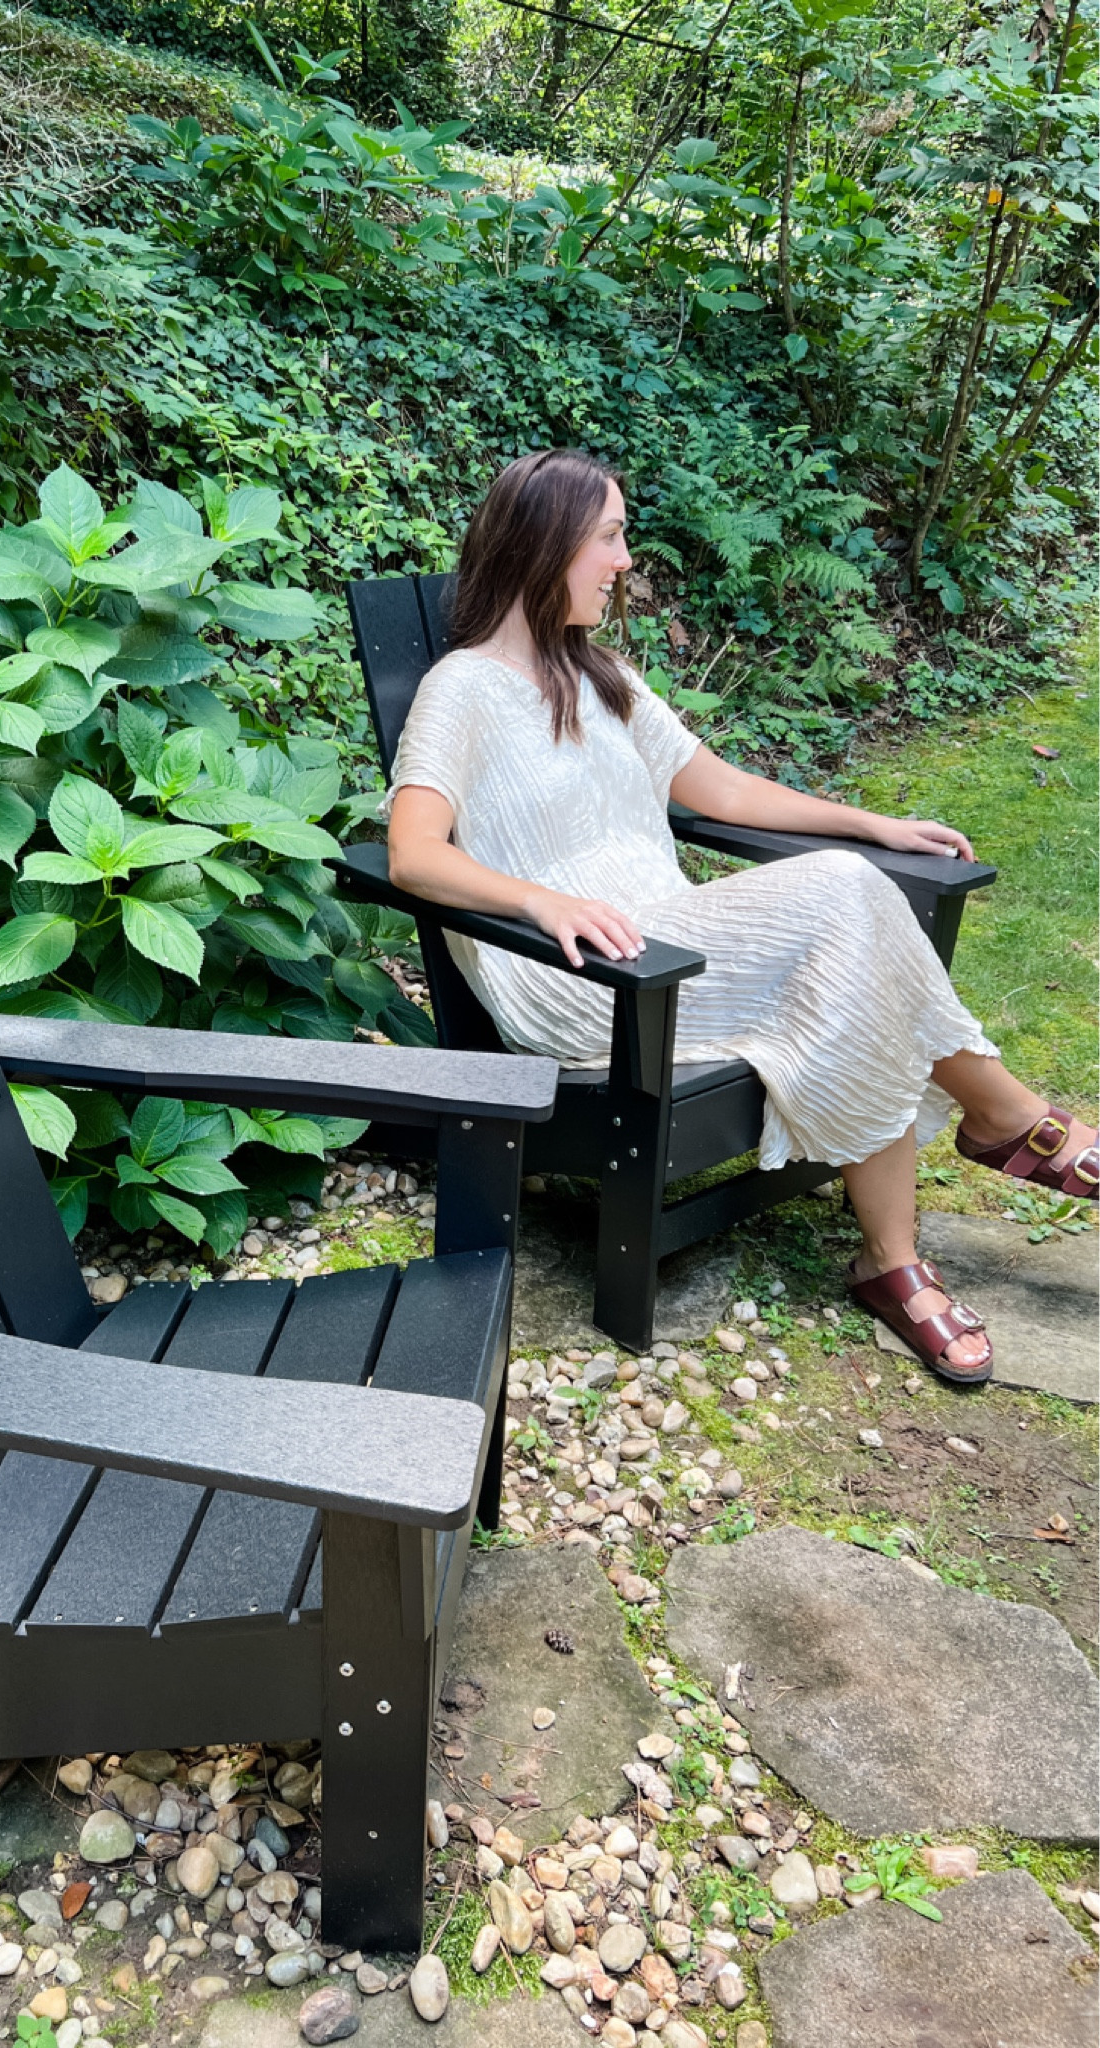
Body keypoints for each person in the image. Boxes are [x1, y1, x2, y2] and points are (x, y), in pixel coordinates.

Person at [385, 450, 1097, 1385]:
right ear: (545, 545)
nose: (626, 559)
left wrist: (870, 822)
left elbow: (714, 786)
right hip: (579, 981)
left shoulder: (601, 677)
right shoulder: (462, 688)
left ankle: (896, 1259)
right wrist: (540, 899)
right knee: (843, 897)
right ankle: (1002, 1125)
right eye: (609, 536)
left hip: (666, 938)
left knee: (857, 940)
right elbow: (413, 852)